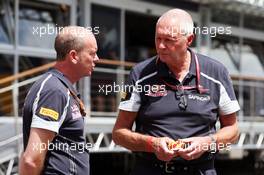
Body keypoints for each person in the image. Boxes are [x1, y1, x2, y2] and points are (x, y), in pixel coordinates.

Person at [112, 9, 240, 175]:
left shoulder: (217, 73)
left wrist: (207, 143)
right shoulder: (139, 74)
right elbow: (118, 133)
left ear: (189, 40)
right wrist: (152, 144)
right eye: (158, 38)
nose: (161, 46)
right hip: (151, 170)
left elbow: (233, 130)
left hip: (201, 170)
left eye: (169, 40)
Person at [19, 26, 99, 175]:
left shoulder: (61, 87)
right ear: (74, 56)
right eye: (92, 53)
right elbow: (31, 160)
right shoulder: (53, 90)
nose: (97, 59)